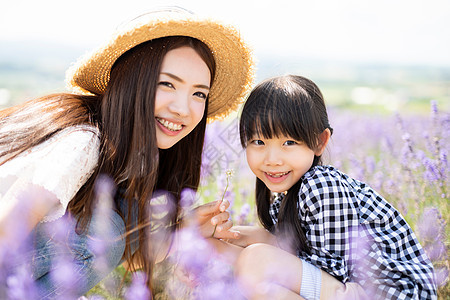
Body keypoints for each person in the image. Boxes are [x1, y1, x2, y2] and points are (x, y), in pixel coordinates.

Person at [0, 7, 254, 298]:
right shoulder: (82, 143)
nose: (183, 109)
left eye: (199, 93)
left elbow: (126, 255)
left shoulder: (138, 155)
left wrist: (183, 232)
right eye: (167, 84)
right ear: (134, 82)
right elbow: (6, 234)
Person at [222, 75, 437, 299]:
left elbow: (331, 272)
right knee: (234, 256)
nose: (272, 159)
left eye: (289, 143)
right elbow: (291, 250)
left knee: (256, 260)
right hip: (354, 290)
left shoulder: (321, 187)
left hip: (394, 293)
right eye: (259, 142)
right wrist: (228, 237)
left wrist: (253, 254)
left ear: (319, 142)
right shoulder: (287, 199)